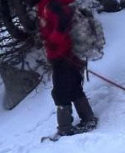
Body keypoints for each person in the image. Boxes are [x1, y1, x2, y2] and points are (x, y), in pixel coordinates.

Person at [35, 0, 97, 136]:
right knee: (74, 87)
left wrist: (53, 42)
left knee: (59, 92)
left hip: (63, 56)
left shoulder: (50, 6)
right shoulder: (46, 6)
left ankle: (65, 128)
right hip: (68, 55)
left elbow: (62, 25)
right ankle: (88, 119)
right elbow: (54, 25)